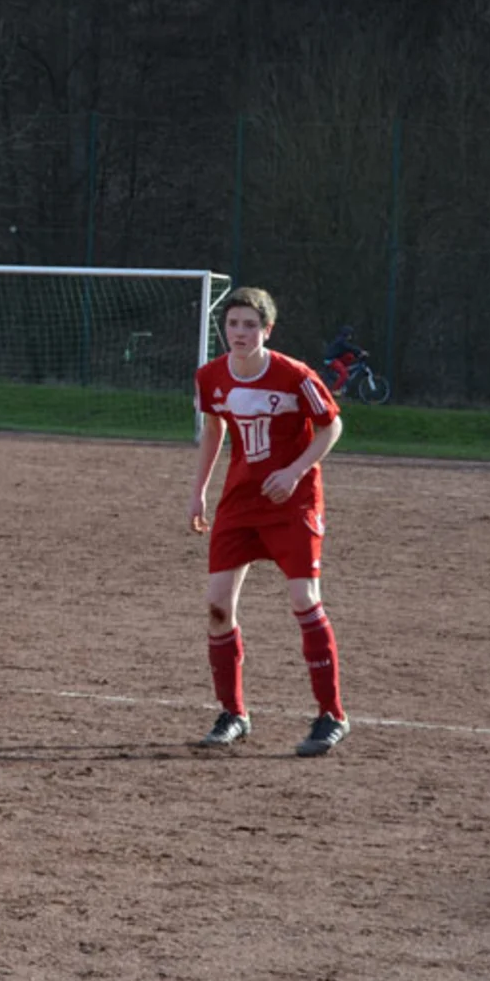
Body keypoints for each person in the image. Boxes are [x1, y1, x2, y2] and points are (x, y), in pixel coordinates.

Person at [189, 286, 349, 757]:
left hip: (292, 500)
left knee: (303, 597)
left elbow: (331, 425)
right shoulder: (211, 377)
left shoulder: (294, 375)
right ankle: (233, 713)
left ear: (267, 330)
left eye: (250, 325)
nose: (240, 332)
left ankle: (331, 715)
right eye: (233, 323)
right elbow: (215, 427)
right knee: (218, 606)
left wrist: (296, 470)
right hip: (240, 502)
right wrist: (198, 490)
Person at [321, 324, 364, 395]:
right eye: (350, 334)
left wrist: (358, 354)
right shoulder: (341, 341)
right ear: (347, 334)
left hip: (335, 358)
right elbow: (349, 347)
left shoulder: (342, 340)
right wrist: (360, 351)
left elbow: (348, 350)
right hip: (330, 360)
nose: (351, 336)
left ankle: (343, 370)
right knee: (344, 374)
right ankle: (334, 390)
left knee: (350, 356)